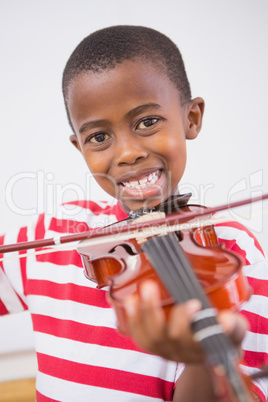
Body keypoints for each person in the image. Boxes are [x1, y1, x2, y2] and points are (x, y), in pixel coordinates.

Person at [0, 25, 267, 401]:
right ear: (80, 148)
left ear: (191, 118)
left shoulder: (234, 258)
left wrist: (200, 362)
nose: (127, 153)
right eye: (99, 137)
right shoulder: (53, 234)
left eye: (147, 122)